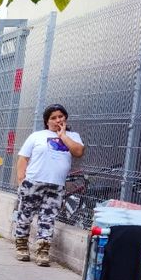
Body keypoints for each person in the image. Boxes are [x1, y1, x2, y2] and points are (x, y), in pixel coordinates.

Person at [13, 103, 85, 266]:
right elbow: (23, 158)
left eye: (61, 116)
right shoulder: (36, 136)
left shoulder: (73, 136)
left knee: (48, 218)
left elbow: (78, 152)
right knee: (25, 216)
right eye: (53, 118)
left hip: (56, 185)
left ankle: (42, 252)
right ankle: (21, 246)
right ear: (47, 122)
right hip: (33, 183)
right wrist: (21, 180)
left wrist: (63, 136)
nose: (58, 120)